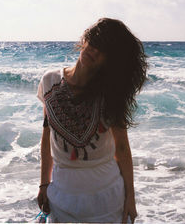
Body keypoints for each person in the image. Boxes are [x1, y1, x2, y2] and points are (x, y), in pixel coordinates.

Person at [36, 18, 148, 223]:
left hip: (105, 200)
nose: (94, 50)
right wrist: (44, 184)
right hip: (61, 196)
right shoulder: (49, 81)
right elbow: (46, 135)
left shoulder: (110, 95)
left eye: (103, 49)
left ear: (110, 60)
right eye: (93, 42)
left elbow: (122, 148)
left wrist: (130, 198)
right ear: (85, 40)